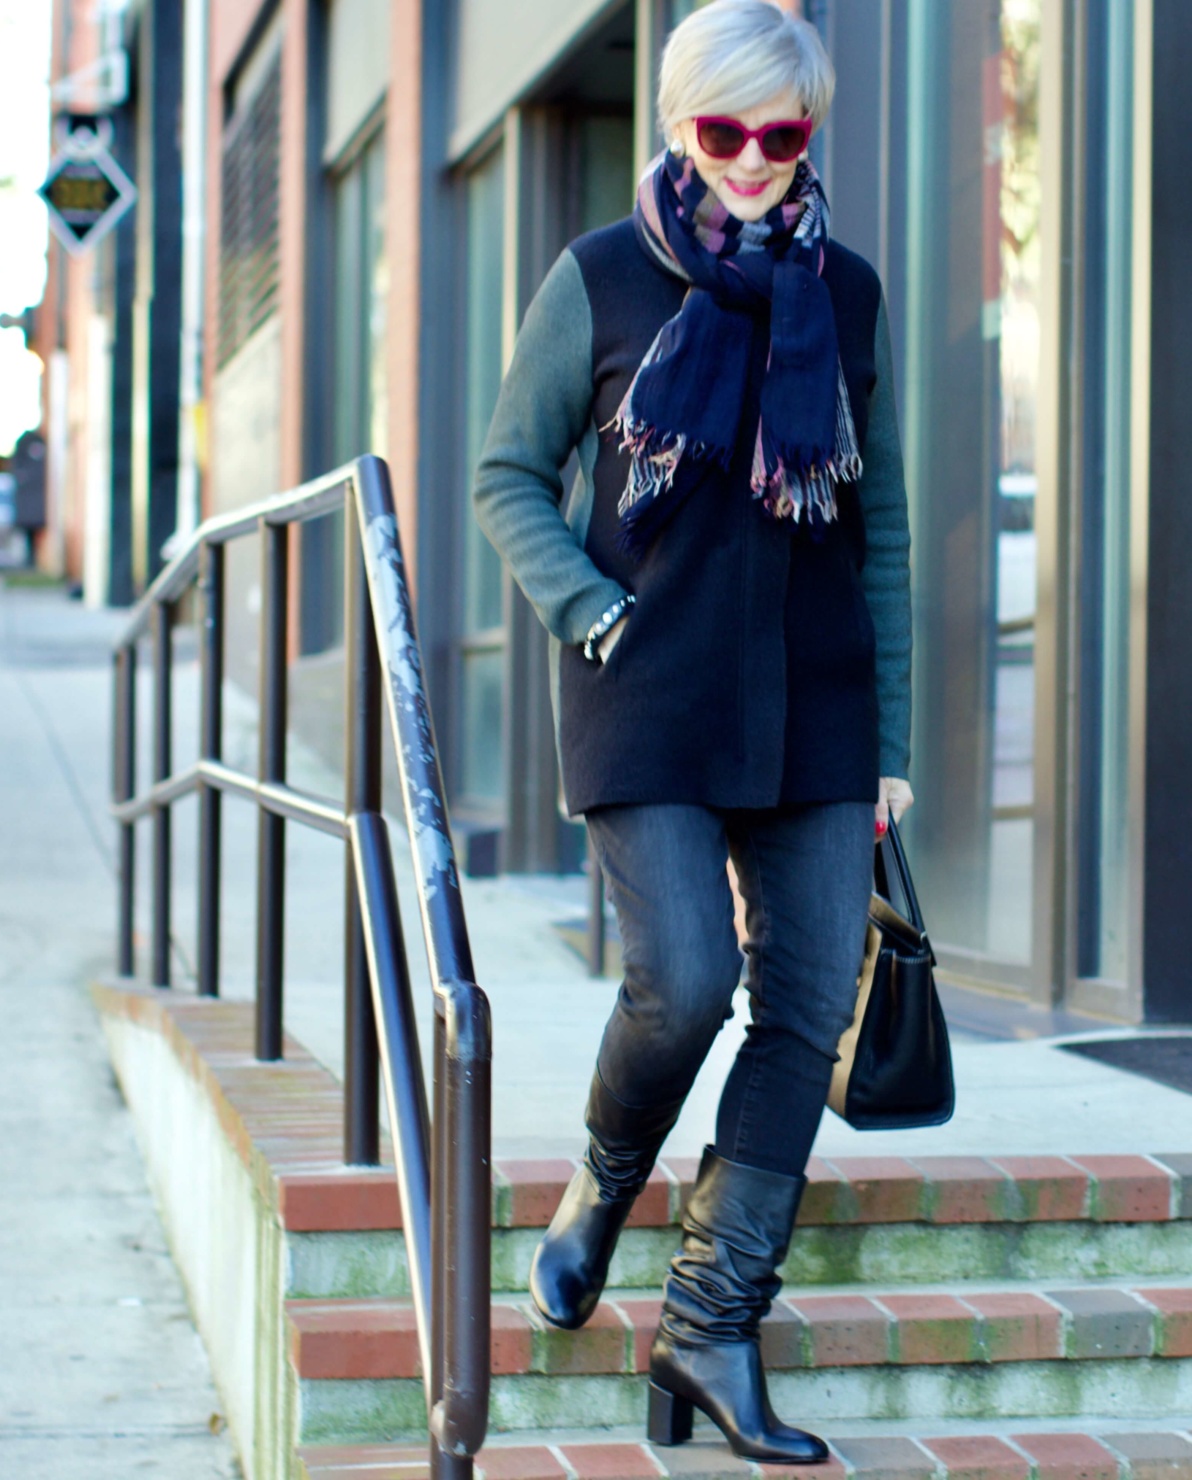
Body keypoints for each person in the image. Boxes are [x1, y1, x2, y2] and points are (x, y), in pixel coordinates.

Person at [472, 0, 913, 1463]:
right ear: (679, 125)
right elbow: (506, 474)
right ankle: (603, 1186)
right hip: (645, 689)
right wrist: (590, 608)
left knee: (802, 1008)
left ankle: (711, 1324)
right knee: (682, 978)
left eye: (779, 138)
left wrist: (891, 737)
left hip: (815, 701)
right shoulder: (601, 277)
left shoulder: (844, 296)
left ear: (809, 136)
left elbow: (883, 526)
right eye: (721, 133)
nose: (750, 163)